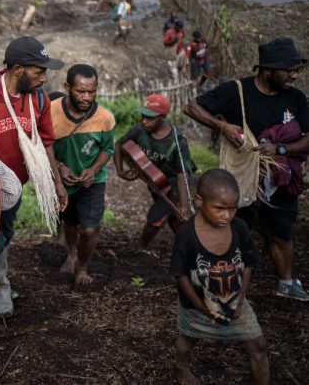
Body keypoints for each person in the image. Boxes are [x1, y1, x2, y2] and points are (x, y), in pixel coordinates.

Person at [183, 37, 309, 301]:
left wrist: (282, 149)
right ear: (267, 70)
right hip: (240, 176)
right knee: (232, 229)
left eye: (298, 70)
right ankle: (224, 284)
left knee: (282, 232)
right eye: (289, 70)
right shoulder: (236, 91)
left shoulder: (296, 99)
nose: (295, 76)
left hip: (279, 179)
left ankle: (286, 283)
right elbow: (191, 107)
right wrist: (221, 126)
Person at [0, 36, 68, 317]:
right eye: (39, 71)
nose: (45, 79)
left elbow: (46, 141)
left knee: (4, 235)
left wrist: (56, 183)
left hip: (13, 189)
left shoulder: (38, 99)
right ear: (19, 70)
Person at [170, 169, 269, 385]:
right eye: (220, 208)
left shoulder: (240, 228)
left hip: (234, 300)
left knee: (259, 345)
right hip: (195, 304)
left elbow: (248, 263)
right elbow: (180, 275)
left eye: (233, 208)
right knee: (187, 339)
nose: (227, 215)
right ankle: (181, 366)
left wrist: (241, 298)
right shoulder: (186, 235)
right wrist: (201, 307)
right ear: (199, 201)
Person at [51, 64, 116, 285]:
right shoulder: (51, 112)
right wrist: (59, 167)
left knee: (89, 229)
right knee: (69, 220)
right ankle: (71, 252)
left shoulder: (105, 118)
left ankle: (82, 267)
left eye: (92, 91)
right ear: (67, 87)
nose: (87, 97)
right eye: (80, 91)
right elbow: (41, 146)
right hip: (64, 180)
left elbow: (108, 149)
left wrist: (94, 169)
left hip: (92, 181)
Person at [115, 95, 195, 247]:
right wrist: (120, 171)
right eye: (143, 116)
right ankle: (188, 247)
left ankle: (140, 247)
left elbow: (181, 174)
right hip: (154, 179)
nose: (144, 121)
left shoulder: (177, 141)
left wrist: (184, 204)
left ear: (163, 117)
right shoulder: (140, 130)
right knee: (171, 216)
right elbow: (119, 145)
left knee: (155, 218)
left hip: (172, 186)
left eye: (150, 118)